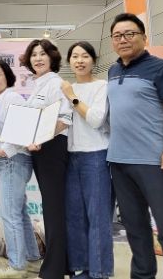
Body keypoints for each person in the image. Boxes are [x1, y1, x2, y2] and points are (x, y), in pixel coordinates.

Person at [107, 13, 163, 278]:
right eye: (117, 35)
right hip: (119, 161)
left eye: (130, 34)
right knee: (135, 228)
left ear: (144, 38)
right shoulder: (112, 71)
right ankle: (142, 275)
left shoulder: (162, 68)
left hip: (154, 161)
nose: (123, 39)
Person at [0, 60, 42, 279]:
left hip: (12, 160)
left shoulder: (13, 98)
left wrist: (1, 151)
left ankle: (17, 266)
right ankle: (33, 260)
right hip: (9, 161)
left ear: (7, 76)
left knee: (10, 214)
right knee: (19, 212)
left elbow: (22, 129)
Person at [60, 42, 113, 279]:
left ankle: (99, 271)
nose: (79, 61)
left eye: (84, 56)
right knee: (75, 216)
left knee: (98, 217)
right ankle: (81, 268)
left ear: (94, 60)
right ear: (69, 61)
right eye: (75, 56)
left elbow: (95, 119)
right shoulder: (66, 88)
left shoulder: (102, 86)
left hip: (96, 156)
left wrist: (72, 97)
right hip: (72, 157)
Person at [20, 39, 72, 279]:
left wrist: (40, 137)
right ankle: (62, 263)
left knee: (53, 209)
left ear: (52, 57)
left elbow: (64, 120)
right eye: (34, 54)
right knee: (52, 208)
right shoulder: (38, 84)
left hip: (52, 148)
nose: (38, 58)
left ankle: (54, 268)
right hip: (40, 149)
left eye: (42, 54)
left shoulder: (56, 83)